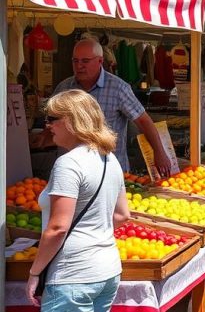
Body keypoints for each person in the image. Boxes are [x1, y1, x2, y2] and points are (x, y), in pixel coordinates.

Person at [27, 90, 130, 311]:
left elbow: (57, 228)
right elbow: (122, 215)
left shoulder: (68, 164)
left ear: (72, 121)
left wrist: (35, 272)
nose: (48, 125)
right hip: (108, 269)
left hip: (72, 275)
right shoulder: (109, 158)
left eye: (52, 119)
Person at [53, 39, 173, 176]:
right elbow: (53, 123)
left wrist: (159, 152)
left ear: (100, 61)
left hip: (109, 170)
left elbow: (144, 121)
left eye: (85, 61)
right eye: (75, 61)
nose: (79, 65)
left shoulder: (118, 88)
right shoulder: (64, 88)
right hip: (72, 170)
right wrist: (42, 138)